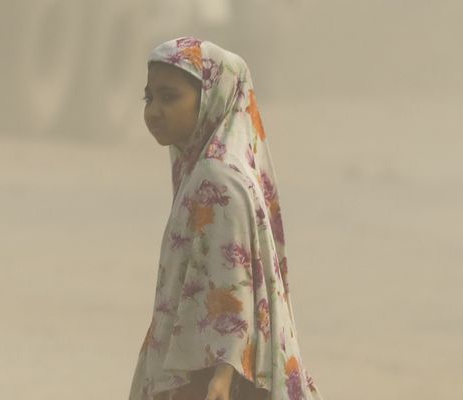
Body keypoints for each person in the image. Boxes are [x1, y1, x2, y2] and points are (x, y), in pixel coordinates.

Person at [128, 37, 323, 400]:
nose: (153, 111)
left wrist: (222, 377)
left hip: (210, 377)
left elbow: (232, 283)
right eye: (149, 97)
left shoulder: (215, 178)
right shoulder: (220, 168)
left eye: (169, 97)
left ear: (211, 98)